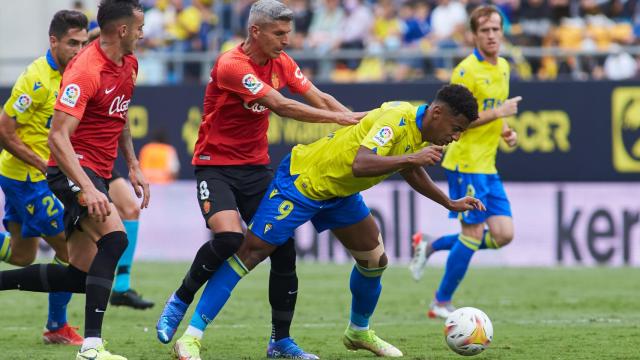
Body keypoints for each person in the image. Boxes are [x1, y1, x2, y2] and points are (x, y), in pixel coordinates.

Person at [172, 84, 484, 359]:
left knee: (374, 259)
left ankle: (358, 332)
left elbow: (411, 170)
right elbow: (362, 164)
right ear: (438, 113)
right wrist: (410, 159)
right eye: (456, 128)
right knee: (250, 253)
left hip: (339, 193)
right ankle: (191, 337)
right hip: (304, 182)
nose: (455, 137)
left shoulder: (423, 131)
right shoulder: (397, 119)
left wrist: (448, 202)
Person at [156, 1, 365, 359]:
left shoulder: (281, 61)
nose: (287, 40)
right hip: (215, 166)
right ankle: (180, 299)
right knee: (229, 238)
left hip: (255, 169)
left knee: (283, 249)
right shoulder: (232, 65)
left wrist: (360, 122)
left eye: (289, 33)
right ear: (256, 31)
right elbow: (282, 106)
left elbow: (319, 96)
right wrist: (343, 123)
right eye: (279, 33)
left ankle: (280, 341)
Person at [0, 1, 147, 359]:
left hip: (96, 168)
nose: (145, 33)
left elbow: (121, 115)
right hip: (68, 169)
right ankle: (92, 347)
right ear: (123, 30)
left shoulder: (129, 64)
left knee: (77, 274)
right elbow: (57, 138)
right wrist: (88, 186)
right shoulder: (84, 71)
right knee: (113, 240)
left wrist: (133, 163)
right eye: (140, 26)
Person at [409, 5, 522, 319]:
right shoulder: (466, 70)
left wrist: (505, 131)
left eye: (496, 29)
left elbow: (493, 109)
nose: (491, 36)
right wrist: (499, 114)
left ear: (502, 32)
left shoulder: (503, 67)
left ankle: (430, 245)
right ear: (474, 35)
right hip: (465, 161)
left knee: (503, 234)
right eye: (484, 30)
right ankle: (440, 302)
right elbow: (457, 120)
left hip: (488, 164)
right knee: (472, 235)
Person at [0, 10, 88, 345]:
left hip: (29, 177)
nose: (78, 50)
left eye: (83, 42)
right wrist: (41, 164)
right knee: (72, 254)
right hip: (28, 180)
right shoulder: (35, 79)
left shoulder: (75, 68)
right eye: (72, 43)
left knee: (22, 255)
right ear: (53, 41)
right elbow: (4, 131)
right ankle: (56, 326)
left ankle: (56, 326)